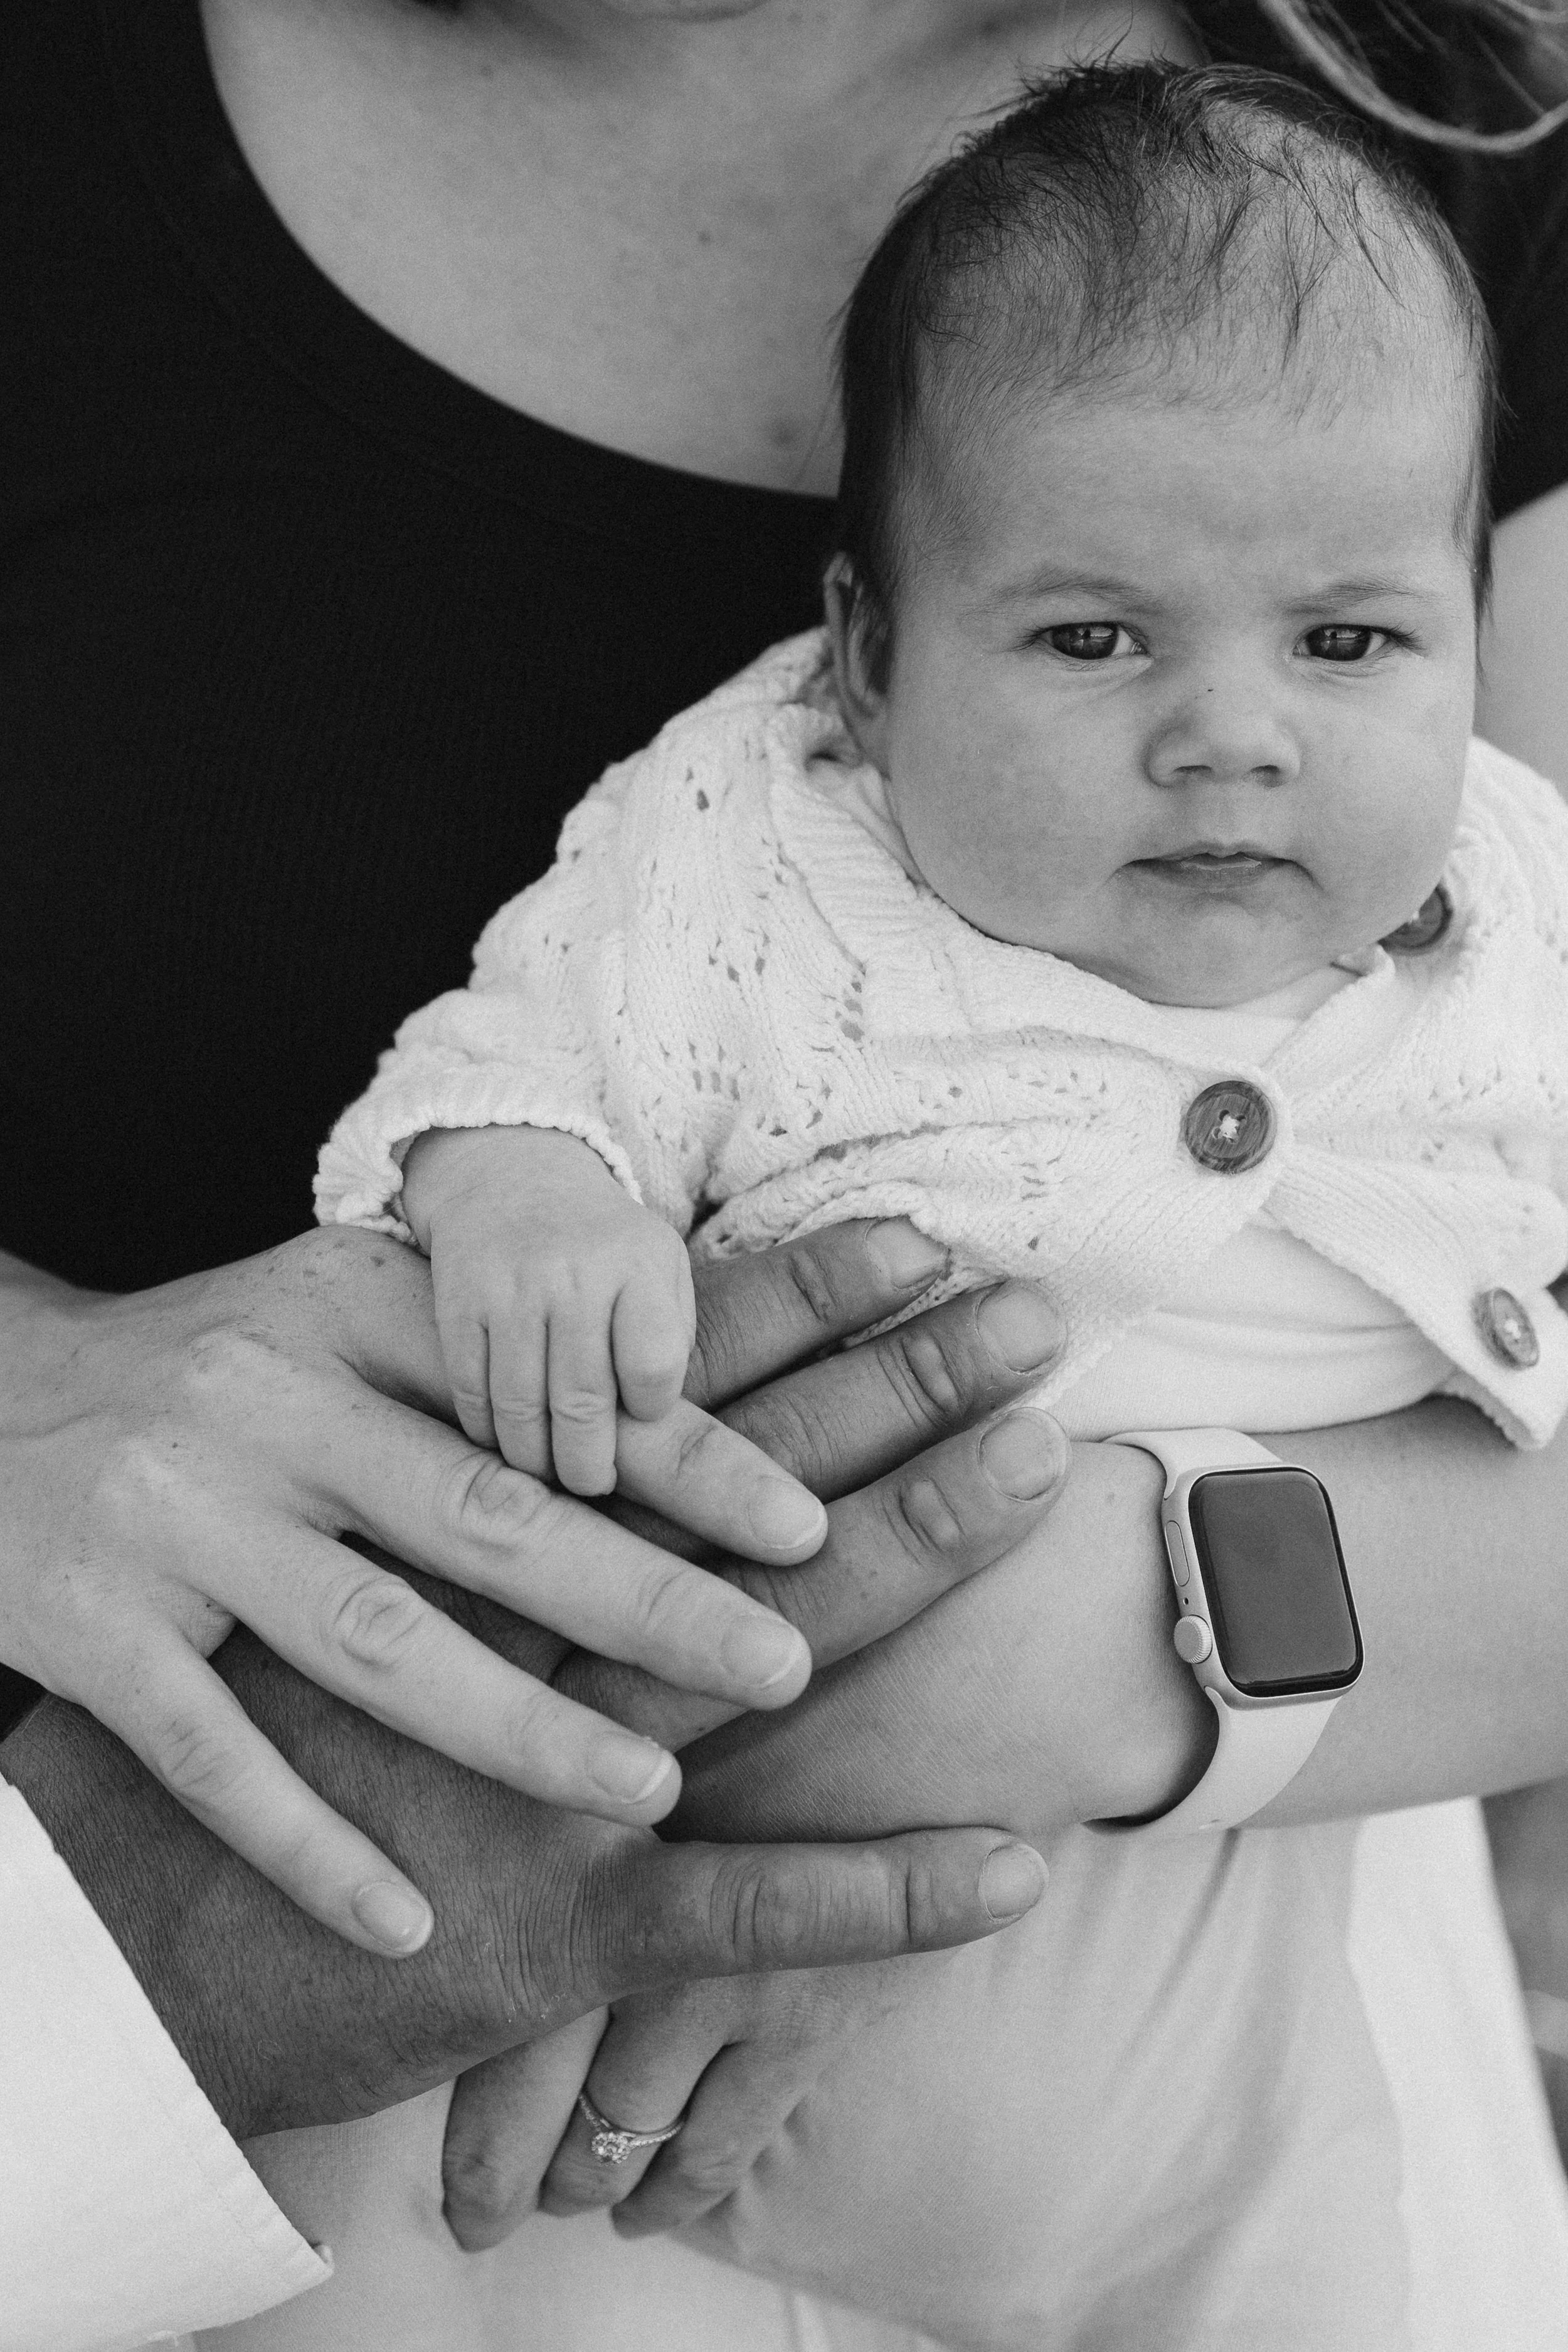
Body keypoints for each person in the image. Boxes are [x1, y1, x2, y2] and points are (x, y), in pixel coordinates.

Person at [3, 0, 1568, 2343]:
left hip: (1239, 1943)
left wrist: (1083, 1640)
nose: (1230, 731)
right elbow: (536, 1057)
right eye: (1083, 632)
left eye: (1345, 637)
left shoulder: (1455, 144)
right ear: (856, 654)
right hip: (297, 2035)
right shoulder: (749, 855)